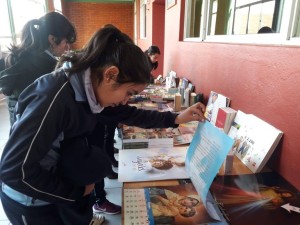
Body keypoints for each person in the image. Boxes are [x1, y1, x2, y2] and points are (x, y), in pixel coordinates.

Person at [0, 25, 206, 225]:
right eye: (130, 93)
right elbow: (14, 171)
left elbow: (130, 114)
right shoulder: (54, 97)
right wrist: (76, 193)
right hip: (33, 202)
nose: (127, 100)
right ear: (110, 74)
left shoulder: (89, 88)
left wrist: (177, 118)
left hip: (60, 187)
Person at [0, 11, 76, 126]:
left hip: (18, 129)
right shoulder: (47, 68)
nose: (67, 47)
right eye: (66, 42)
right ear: (52, 39)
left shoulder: (19, 56)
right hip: (36, 130)